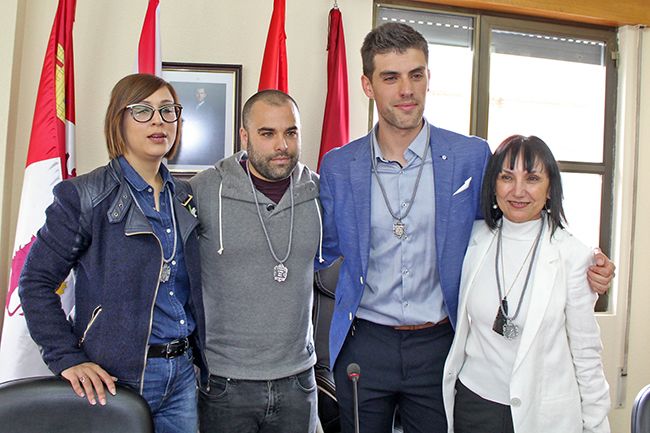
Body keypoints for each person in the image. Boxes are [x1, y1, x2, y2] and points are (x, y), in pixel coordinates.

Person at [318, 22, 615, 433]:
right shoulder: (338, 166)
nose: (406, 90)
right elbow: (324, 251)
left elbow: (513, 216)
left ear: (428, 78)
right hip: (365, 342)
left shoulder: (470, 156)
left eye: (416, 75)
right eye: (391, 78)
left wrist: (584, 262)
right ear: (368, 85)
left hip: (442, 342)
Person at [19, 73, 207, 433]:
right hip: (116, 377)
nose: (158, 120)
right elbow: (35, 282)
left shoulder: (184, 196)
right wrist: (66, 357)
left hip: (183, 374)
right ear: (118, 120)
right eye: (143, 110)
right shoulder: (84, 196)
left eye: (168, 110)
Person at [442, 135, 611, 433]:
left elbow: (586, 353)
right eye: (507, 177)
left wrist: (596, 425)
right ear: (493, 184)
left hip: (543, 412)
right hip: (474, 405)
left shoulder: (573, 256)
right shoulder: (471, 239)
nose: (518, 191)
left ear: (550, 188)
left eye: (532, 178)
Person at [190, 89, 321, 433]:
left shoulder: (318, 192)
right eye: (268, 134)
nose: (282, 145)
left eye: (290, 132)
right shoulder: (204, 191)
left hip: (298, 380)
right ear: (244, 137)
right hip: (225, 383)